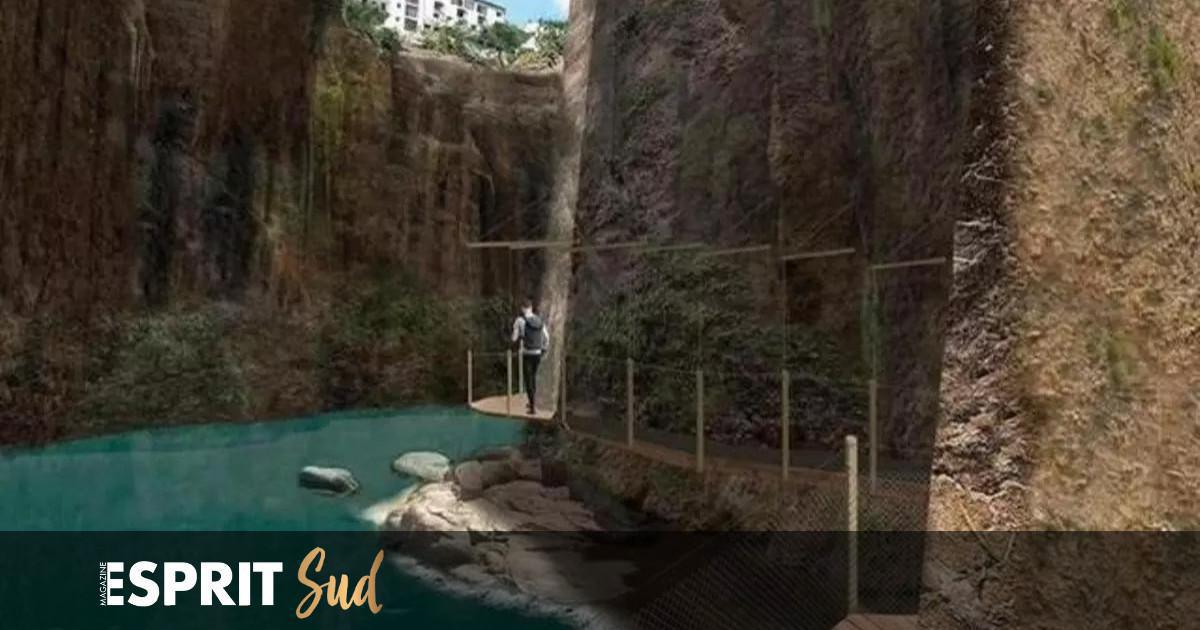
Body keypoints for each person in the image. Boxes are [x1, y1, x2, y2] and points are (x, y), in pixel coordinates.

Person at [512, 299, 550, 415]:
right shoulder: (539, 320)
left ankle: (533, 408)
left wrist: (515, 338)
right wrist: (544, 348)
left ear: (523, 308)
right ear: (531, 308)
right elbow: (547, 337)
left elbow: (514, 338)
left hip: (527, 353)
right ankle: (532, 401)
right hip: (538, 353)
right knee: (533, 377)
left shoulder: (520, 320)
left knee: (528, 380)